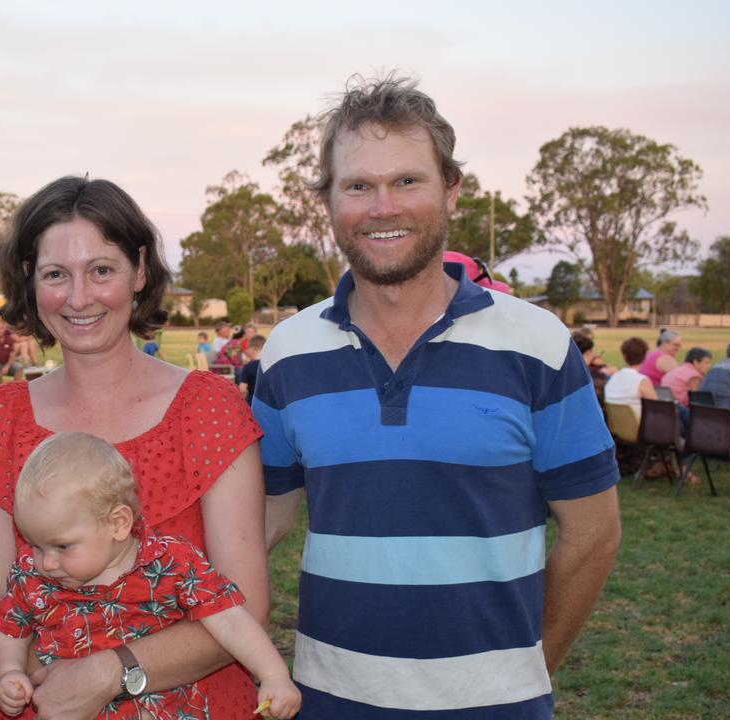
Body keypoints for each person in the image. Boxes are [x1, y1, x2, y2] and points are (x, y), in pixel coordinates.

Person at [256, 76, 621, 719]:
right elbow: (266, 520)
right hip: (330, 698)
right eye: (358, 186)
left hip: (499, 705)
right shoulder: (288, 352)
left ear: (450, 189)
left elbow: (592, 534)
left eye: (407, 181)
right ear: (329, 201)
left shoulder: (536, 343)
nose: (382, 207)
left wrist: (529, 666)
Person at [0, 175, 268, 720]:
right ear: (29, 279)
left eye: (101, 270)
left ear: (139, 270)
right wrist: (48, 685)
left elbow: (246, 602)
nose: (79, 297)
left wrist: (107, 673)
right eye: (55, 275)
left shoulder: (209, 409)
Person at [0, 432, 299, 720]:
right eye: (35, 544)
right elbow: (8, 624)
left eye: (61, 545)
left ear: (118, 523)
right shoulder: (33, 576)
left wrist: (273, 675)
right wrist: (10, 671)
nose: (46, 562)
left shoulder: (170, 563)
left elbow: (230, 619)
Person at [604, 337, 659, 422]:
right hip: (638, 429)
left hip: (616, 426)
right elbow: (656, 408)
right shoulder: (642, 381)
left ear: (624, 356)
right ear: (645, 357)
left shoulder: (613, 378)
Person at [238, 334, 266, 404]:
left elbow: (242, 389)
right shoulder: (272, 365)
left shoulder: (248, 367)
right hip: (271, 405)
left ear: (252, 349)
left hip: (253, 404)